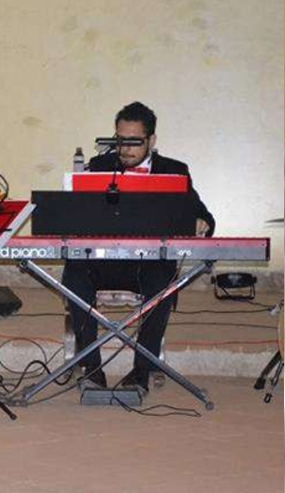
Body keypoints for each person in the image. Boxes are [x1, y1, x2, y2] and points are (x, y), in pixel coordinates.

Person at [62, 101, 216, 392]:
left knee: (163, 279)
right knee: (73, 274)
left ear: (152, 141)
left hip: (148, 265)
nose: (126, 149)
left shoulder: (174, 170)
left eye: (135, 142)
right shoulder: (99, 167)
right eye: (121, 141)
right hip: (103, 263)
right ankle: (91, 369)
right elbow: (76, 215)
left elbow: (204, 215)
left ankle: (141, 371)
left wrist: (200, 221)